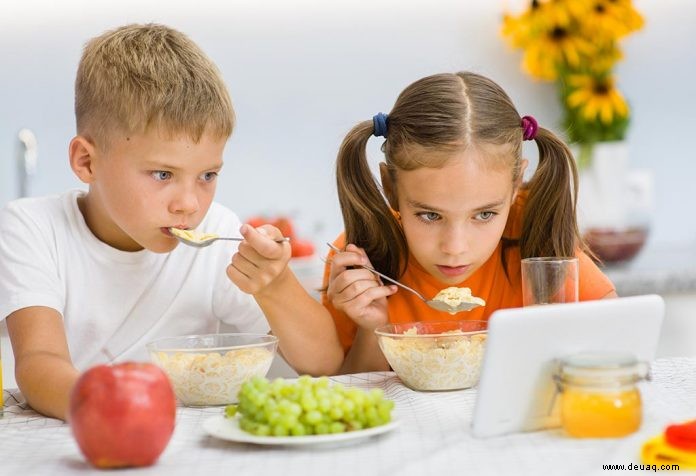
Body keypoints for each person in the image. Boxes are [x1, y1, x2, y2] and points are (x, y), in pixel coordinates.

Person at [0, 23, 339, 421]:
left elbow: (324, 364)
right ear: (87, 162)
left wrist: (276, 284)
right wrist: (118, 408)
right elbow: (39, 365)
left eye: (208, 176)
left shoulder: (217, 238)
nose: (189, 204)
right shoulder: (33, 228)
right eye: (163, 175)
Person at [323, 71, 617, 374]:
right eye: (430, 215)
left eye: (485, 215)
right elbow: (352, 397)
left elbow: (618, 334)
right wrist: (374, 329)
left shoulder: (537, 237)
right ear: (390, 187)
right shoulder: (359, 260)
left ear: (515, 184)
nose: (455, 248)